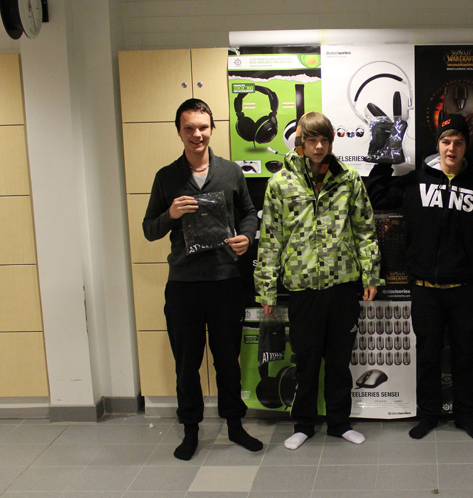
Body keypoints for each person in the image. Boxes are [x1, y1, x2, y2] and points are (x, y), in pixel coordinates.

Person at [367, 114, 473, 440]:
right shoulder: (415, 181)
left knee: (464, 356)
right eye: (446, 141)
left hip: (464, 288)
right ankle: (428, 415)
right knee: (428, 356)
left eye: (458, 142)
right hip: (424, 289)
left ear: (466, 146)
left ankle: (464, 415)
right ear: (438, 145)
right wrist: (384, 160)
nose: (451, 148)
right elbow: (376, 196)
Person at [143, 98, 262, 460]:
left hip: (226, 281)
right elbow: (149, 229)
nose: (197, 134)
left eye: (203, 127)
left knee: (227, 361)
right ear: (179, 132)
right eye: (189, 128)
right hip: (184, 286)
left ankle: (235, 425)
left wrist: (247, 237)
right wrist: (171, 214)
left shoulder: (230, 172)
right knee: (187, 364)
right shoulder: (167, 176)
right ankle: (191, 430)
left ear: (212, 129)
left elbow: (249, 213)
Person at [254, 111, 382, 450]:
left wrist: (371, 274)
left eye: (325, 140)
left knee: (339, 361)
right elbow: (270, 239)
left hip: (342, 286)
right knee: (306, 362)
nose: (319, 146)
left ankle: (339, 423)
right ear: (301, 142)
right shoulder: (280, 183)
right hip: (303, 288)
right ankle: (303, 425)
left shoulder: (348, 180)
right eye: (312, 140)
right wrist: (266, 288)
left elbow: (365, 230)